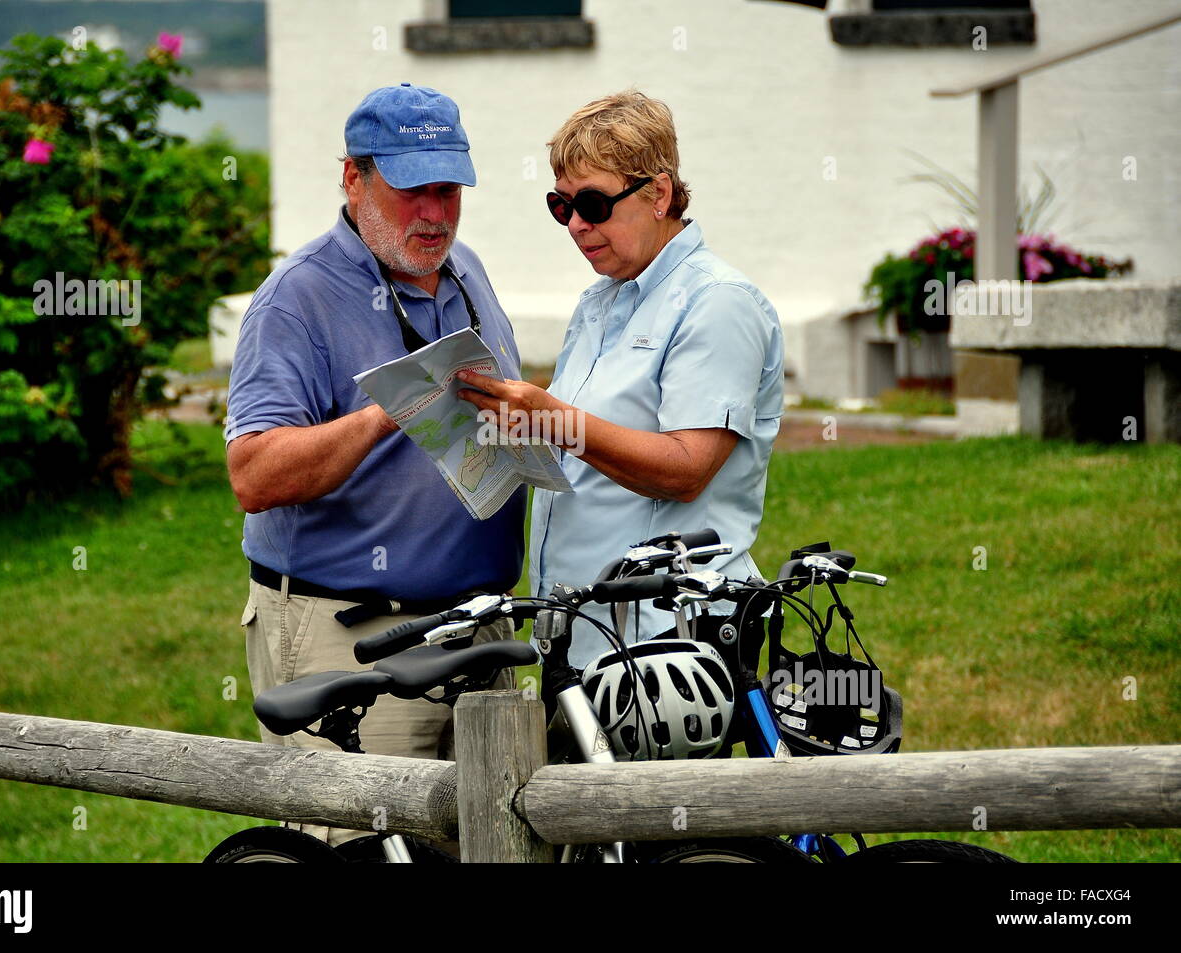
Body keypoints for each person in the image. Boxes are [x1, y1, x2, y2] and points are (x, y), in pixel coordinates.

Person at [225, 83, 524, 847]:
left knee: (492, 843)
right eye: (411, 189)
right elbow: (253, 475)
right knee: (364, 849)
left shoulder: (468, 272)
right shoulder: (294, 300)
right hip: (352, 635)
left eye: (449, 189)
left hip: (479, 628)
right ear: (353, 179)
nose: (435, 213)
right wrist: (384, 412)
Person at [458, 89, 784, 667]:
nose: (576, 225)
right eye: (561, 207)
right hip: (586, 636)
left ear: (658, 194)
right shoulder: (600, 301)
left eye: (594, 204)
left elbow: (687, 471)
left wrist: (551, 418)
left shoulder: (718, 302)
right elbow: (585, 451)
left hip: (666, 640)